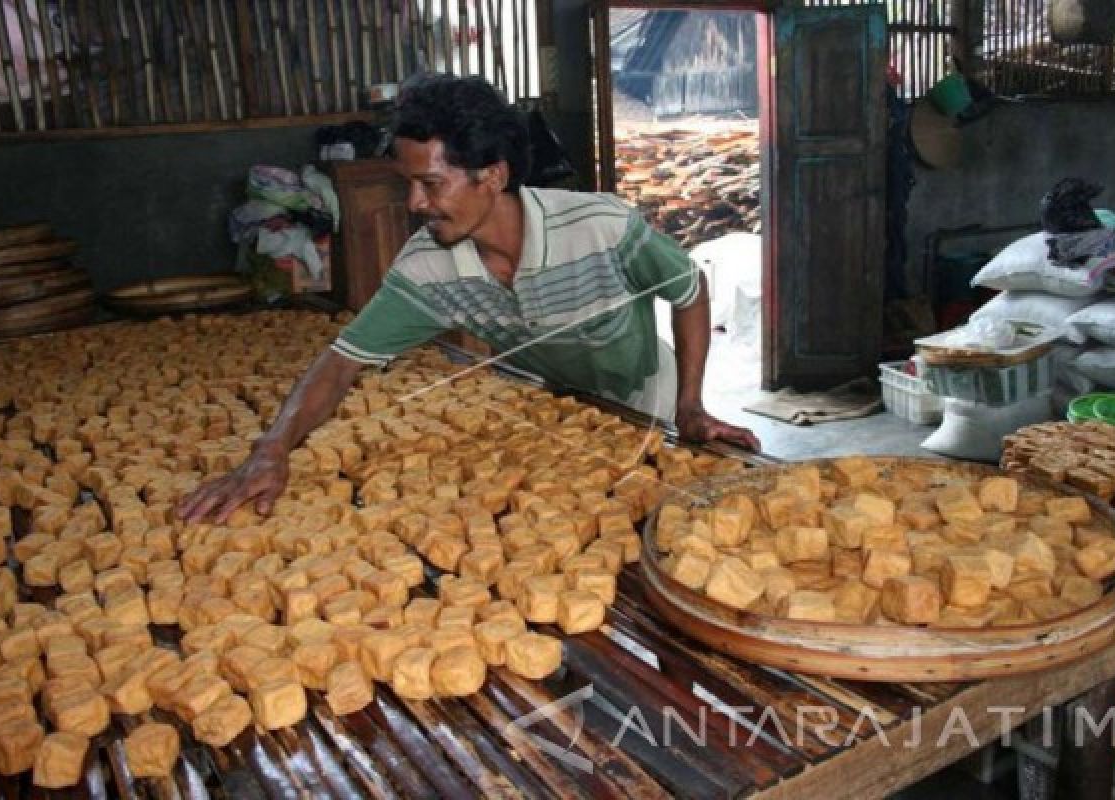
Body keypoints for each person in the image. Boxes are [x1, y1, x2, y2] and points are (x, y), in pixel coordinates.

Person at [179, 73, 759, 524]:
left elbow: (688, 288)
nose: (413, 204)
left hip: (642, 400)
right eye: (406, 184)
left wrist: (689, 405)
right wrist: (272, 448)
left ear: (494, 175)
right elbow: (340, 363)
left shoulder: (600, 226)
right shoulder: (426, 268)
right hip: (554, 415)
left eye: (430, 184)